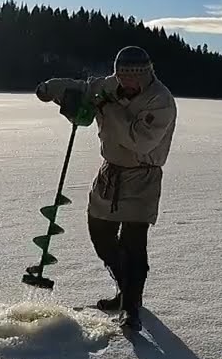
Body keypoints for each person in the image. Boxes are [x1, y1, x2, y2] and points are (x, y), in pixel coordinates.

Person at [34, 45, 177, 331]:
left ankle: (131, 307)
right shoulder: (111, 86)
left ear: (146, 74)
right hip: (110, 172)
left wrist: (108, 107)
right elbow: (86, 88)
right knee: (100, 232)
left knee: (133, 243)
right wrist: (51, 89)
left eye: (132, 77)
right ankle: (125, 289)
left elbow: (140, 141)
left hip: (143, 176)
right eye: (121, 76)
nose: (125, 82)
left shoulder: (160, 100)